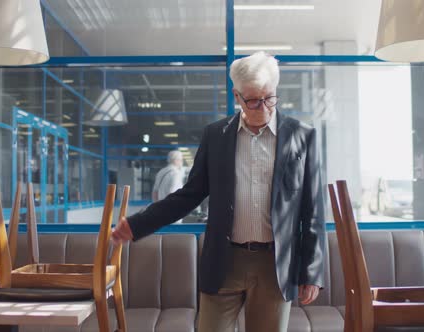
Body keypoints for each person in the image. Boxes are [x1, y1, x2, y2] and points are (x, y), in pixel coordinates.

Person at [111, 51, 325, 332]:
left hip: (275, 266)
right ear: (237, 97)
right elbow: (189, 194)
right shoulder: (216, 136)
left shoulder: (302, 136)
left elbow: (313, 209)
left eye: (269, 97)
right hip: (224, 261)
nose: (262, 107)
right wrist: (138, 224)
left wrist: (311, 270)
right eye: (252, 100)